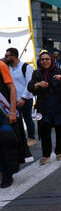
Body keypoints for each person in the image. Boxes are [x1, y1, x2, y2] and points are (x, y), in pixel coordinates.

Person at [28, 51, 61, 165]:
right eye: (42, 59)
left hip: (59, 106)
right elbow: (30, 87)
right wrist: (38, 84)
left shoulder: (59, 71)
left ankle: (59, 151)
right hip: (44, 108)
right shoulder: (37, 73)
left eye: (47, 59)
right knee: (44, 132)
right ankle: (46, 154)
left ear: (51, 60)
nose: (44, 61)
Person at [4, 47, 37, 147]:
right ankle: (20, 138)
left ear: (14, 56)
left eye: (7, 56)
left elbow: (29, 84)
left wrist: (23, 98)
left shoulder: (26, 67)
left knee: (27, 118)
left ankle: (31, 138)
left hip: (25, 99)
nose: (5, 58)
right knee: (16, 120)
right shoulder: (7, 68)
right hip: (13, 100)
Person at [0, 58, 19, 188]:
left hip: (2, 112)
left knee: (5, 144)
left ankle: (7, 174)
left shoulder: (1, 65)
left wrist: (12, 111)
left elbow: (12, 88)